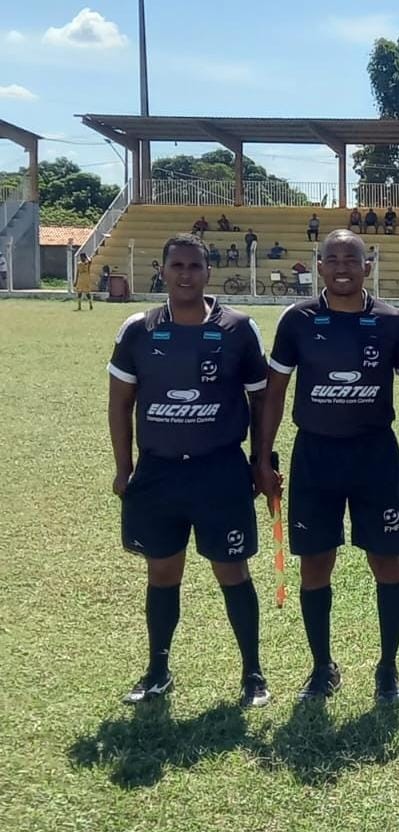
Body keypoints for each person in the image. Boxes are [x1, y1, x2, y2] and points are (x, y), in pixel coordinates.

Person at [256, 229, 399, 703]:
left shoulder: (392, 322)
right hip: (315, 455)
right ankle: (321, 668)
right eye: (331, 257)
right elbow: (274, 394)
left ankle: (388, 669)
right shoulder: (297, 321)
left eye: (350, 258)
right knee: (315, 564)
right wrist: (263, 456)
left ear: (366, 266)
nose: (341, 266)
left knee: (387, 562)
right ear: (318, 266)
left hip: (375, 455)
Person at [107, 232, 271, 708]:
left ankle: (253, 675)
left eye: (194, 267)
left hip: (219, 470)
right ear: (162, 270)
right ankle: (157, 671)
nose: (185, 274)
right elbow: (120, 404)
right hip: (158, 474)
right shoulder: (138, 329)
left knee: (232, 571)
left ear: (207, 272)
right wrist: (124, 467)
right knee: (162, 574)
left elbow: (261, 400)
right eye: (176, 266)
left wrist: (262, 460)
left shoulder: (238, 328)